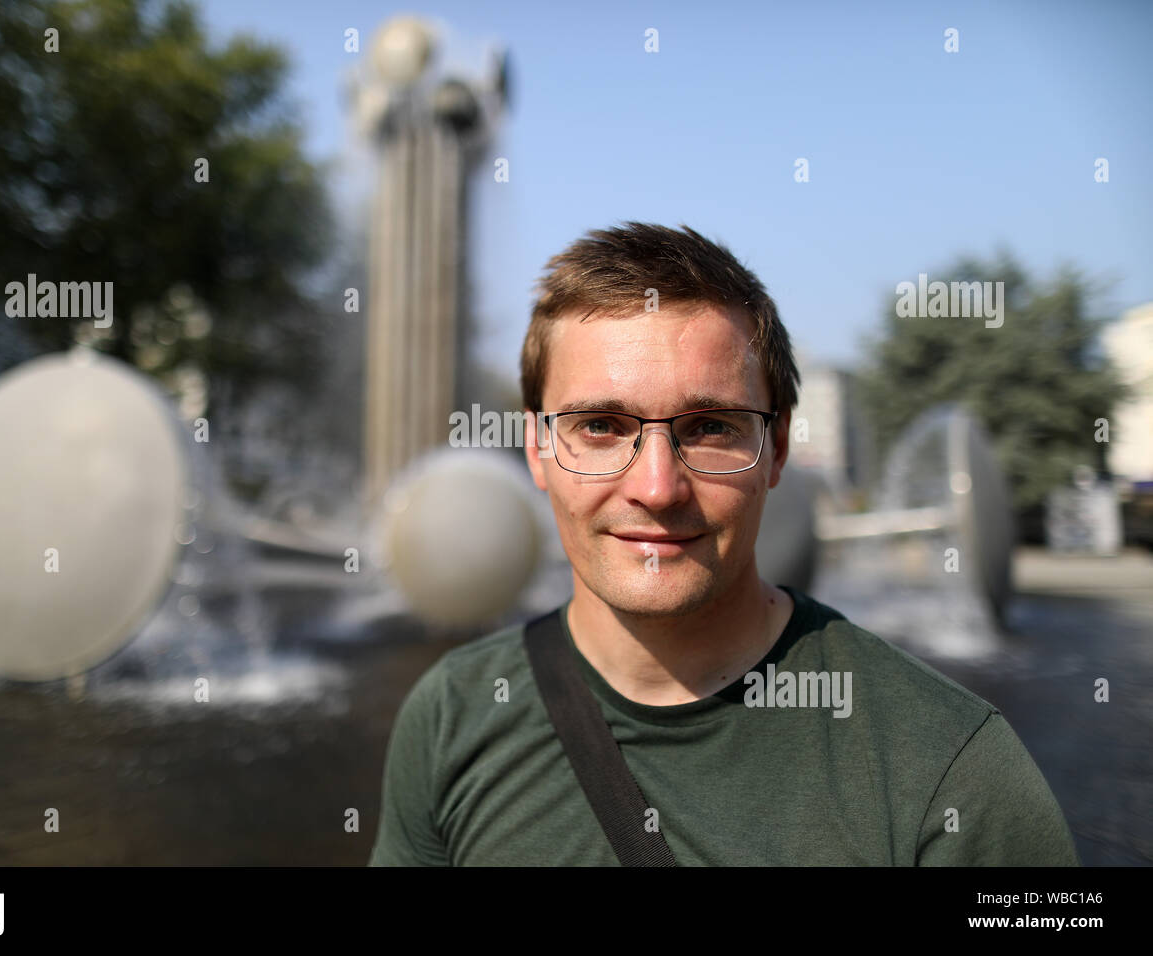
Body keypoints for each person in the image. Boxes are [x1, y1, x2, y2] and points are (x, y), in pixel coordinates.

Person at [368, 222, 1080, 866]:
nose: (656, 486)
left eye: (709, 427)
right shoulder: (449, 717)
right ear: (536, 448)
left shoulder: (952, 768)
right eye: (601, 427)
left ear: (776, 449)